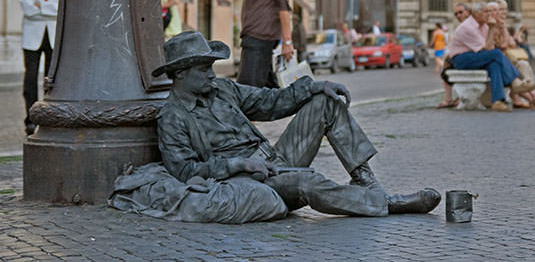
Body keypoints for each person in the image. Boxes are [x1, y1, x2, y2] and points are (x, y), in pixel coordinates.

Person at [109, 31, 440, 223]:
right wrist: (237, 164)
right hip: (249, 177)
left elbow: (271, 102)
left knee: (324, 102)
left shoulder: (224, 89)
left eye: (211, 67)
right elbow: (183, 171)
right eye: (203, 70)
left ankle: (367, 180)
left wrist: (312, 86)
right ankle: (387, 204)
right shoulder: (173, 117)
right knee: (306, 181)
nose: (212, 74)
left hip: (274, 159)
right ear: (180, 74)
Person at [448, 2, 531, 112]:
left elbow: (490, 48)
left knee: (494, 64)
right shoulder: (467, 27)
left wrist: (491, 28)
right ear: (476, 13)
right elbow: (488, 50)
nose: (489, 14)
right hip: (461, 59)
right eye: (486, 11)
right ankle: (515, 81)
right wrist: (491, 28)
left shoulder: (484, 25)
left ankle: (497, 101)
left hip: (475, 56)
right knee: (496, 54)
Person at [19, 0, 59, 136]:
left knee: (51, 78)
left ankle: (50, 115)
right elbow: (28, 10)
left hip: (52, 35)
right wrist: (49, 7)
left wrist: (40, 6)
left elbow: (61, 8)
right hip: (32, 36)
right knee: (30, 78)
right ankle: (30, 119)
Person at [436, 3, 471, 108]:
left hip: (470, 57)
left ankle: (452, 99)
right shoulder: (462, 26)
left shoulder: (471, 25)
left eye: (461, 12)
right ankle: (450, 99)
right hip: (463, 56)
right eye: (456, 14)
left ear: (468, 12)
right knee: (446, 71)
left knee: (448, 69)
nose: (458, 15)